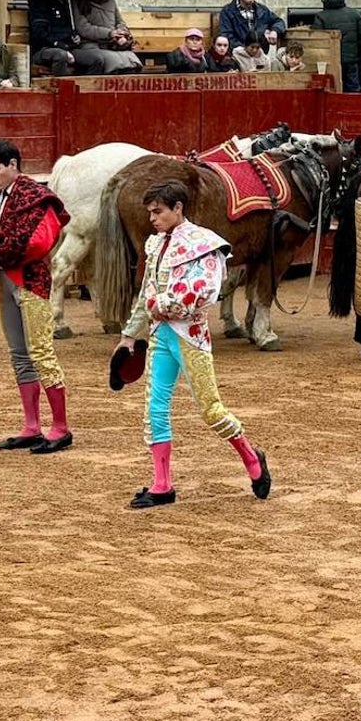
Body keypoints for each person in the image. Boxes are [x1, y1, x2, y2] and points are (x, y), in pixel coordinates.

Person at [114, 180, 270, 509]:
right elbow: (147, 292)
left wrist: (159, 303)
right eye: (150, 213)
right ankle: (162, 485)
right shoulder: (155, 245)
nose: (152, 219)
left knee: (211, 411)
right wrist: (130, 334)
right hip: (161, 336)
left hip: (190, 337)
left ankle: (252, 458)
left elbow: (199, 295)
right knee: (154, 410)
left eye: (158, 212)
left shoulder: (205, 244)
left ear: (178, 208)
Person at [0, 139, 73, 454]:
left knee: (42, 352)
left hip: (31, 283)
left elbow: (39, 243)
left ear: (13, 164)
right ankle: (32, 426)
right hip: (6, 283)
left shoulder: (36, 197)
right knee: (19, 354)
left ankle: (60, 428)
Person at [29, 0, 106, 76]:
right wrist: (60, 45)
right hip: (44, 49)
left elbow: (67, 29)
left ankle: (85, 86)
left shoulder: (65, 4)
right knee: (61, 56)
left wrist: (74, 36)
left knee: (96, 59)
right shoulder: (39, 4)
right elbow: (40, 35)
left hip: (68, 48)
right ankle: (61, 86)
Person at [313, 0, 361, 91]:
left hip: (330, 61)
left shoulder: (320, 16)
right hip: (351, 59)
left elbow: (317, 40)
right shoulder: (355, 14)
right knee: (353, 89)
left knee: (332, 88)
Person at [74, 0, 143, 74]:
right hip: (90, 45)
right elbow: (83, 28)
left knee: (133, 61)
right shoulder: (78, 2)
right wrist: (109, 33)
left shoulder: (111, 1)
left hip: (112, 44)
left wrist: (122, 34)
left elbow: (120, 22)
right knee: (113, 61)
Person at [217, 0, 285, 52]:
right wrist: (247, 50)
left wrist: (275, 31)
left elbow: (279, 22)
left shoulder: (262, 10)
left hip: (261, 55)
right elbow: (227, 37)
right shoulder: (227, 12)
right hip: (238, 56)